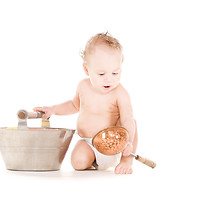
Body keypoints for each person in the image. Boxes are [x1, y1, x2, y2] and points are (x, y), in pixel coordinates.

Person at [34, 32, 138, 174]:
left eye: (115, 73)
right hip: (89, 143)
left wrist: (128, 143)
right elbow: (73, 105)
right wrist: (53, 109)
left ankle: (126, 160)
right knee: (78, 162)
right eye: (101, 74)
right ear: (86, 69)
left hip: (116, 146)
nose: (109, 79)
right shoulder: (83, 86)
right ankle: (92, 163)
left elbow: (127, 119)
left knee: (131, 122)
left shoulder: (120, 93)